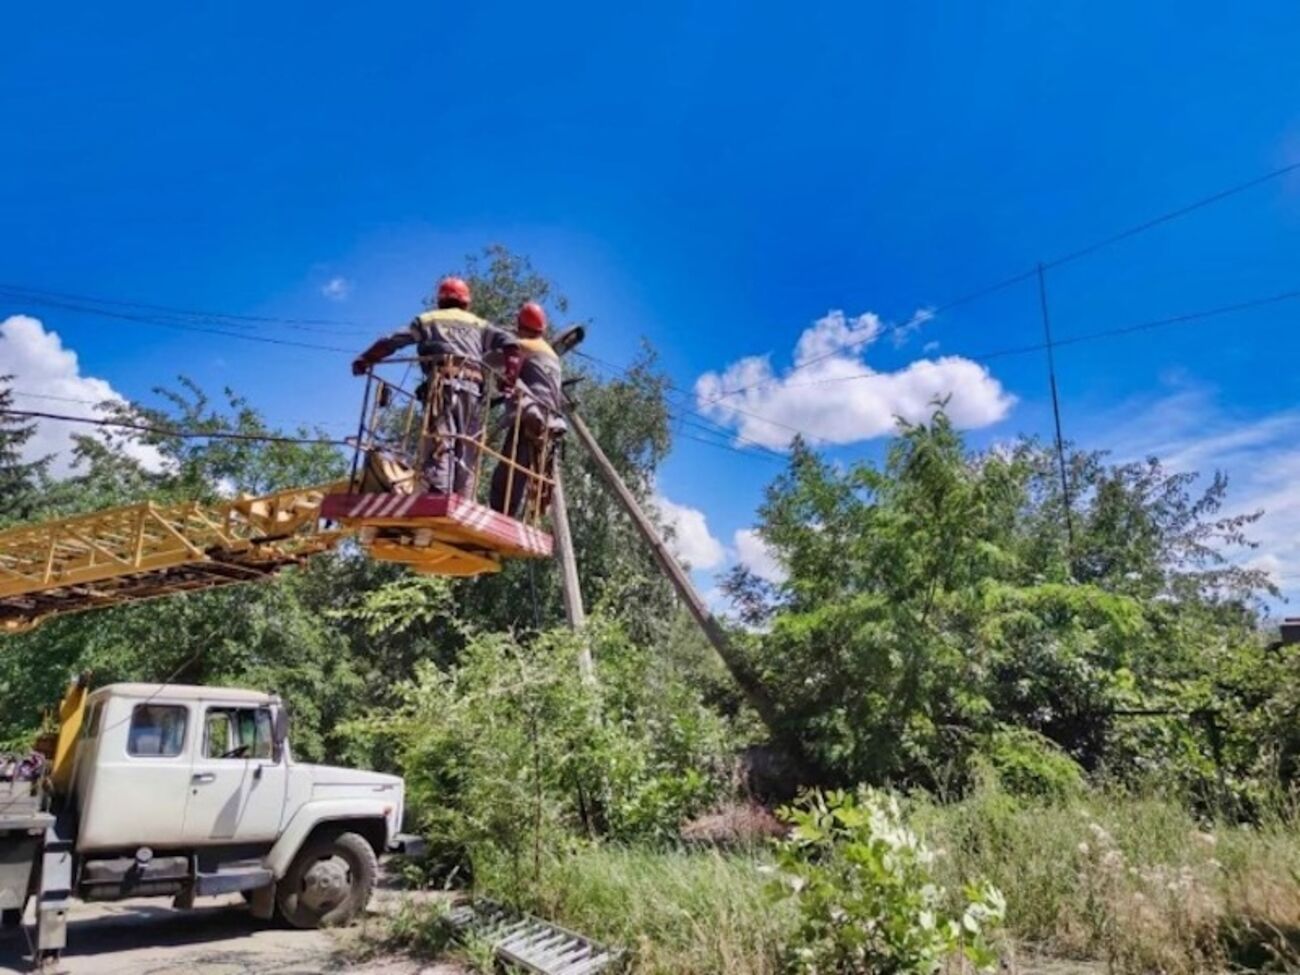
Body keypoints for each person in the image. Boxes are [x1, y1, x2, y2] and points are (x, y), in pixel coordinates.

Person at [351, 276, 517, 496]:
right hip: (473, 391)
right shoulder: (479, 324)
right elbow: (512, 344)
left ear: (440, 300)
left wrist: (365, 359)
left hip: (443, 386)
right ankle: (463, 497)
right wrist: (509, 377)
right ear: (466, 302)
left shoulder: (428, 319)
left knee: (440, 441)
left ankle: (438, 494)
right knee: (468, 446)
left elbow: (390, 341)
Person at [490, 302, 567, 519]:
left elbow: (489, 360)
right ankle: (507, 515)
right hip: (548, 423)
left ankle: (501, 516)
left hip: (530, 417)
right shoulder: (551, 354)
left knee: (507, 475)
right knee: (519, 475)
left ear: (520, 324)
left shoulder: (524, 345)